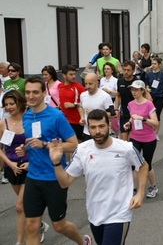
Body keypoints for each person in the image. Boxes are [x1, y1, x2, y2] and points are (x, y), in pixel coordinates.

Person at [48, 109, 148, 245]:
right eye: (93, 127)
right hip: (95, 213)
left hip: (119, 213)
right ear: (88, 129)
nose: (97, 131)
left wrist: (140, 193)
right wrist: (56, 163)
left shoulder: (125, 148)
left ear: (109, 126)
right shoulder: (82, 150)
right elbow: (65, 182)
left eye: (101, 126)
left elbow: (143, 166)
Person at [20, 76, 90, 245]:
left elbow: (73, 145)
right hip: (33, 178)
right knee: (30, 226)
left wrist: (45, 145)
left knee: (59, 226)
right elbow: (33, 141)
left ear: (44, 93)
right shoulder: (27, 116)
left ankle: (83, 241)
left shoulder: (56, 116)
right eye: (28, 92)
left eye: (35, 92)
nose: (31, 96)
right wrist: (25, 148)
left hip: (54, 178)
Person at [0, 91, 49, 244]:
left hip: (30, 167)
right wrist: (9, 164)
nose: (9, 107)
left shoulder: (30, 119)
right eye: (6, 104)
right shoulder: (3, 123)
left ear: (20, 103)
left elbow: (38, 142)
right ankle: (39, 225)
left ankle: (20, 241)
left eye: (11, 104)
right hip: (12, 167)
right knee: (27, 204)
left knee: (20, 206)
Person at [123, 80, 159, 198]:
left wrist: (143, 119)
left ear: (142, 91)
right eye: (132, 90)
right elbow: (132, 118)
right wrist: (128, 123)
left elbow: (155, 123)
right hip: (135, 137)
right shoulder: (130, 104)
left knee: (146, 164)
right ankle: (133, 189)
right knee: (133, 164)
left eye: (136, 90)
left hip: (149, 139)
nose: (134, 92)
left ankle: (153, 186)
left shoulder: (149, 104)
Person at [78, 73, 114, 141]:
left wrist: (95, 114)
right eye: (86, 84)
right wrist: (82, 117)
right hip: (87, 132)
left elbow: (113, 114)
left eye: (90, 84)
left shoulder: (105, 96)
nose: (87, 86)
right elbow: (81, 107)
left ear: (97, 83)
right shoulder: (83, 95)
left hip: (102, 133)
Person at [145, 57, 163, 141]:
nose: (153, 65)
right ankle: (149, 131)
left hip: (160, 97)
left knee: (157, 115)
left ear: (159, 65)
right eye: (152, 64)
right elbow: (146, 85)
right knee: (149, 115)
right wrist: (147, 89)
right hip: (150, 98)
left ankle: (156, 133)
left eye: (155, 64)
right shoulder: (149, 74)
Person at [58, 65, 86, 143]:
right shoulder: (60, 86)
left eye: (74, 74)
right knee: (66, 144)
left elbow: (85, 101)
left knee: (78, 144)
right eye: (71, 74)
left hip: (76, 121)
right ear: (64, 75)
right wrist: (59, 105)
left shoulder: (78, 87)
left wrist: (74, 105)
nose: (73, 76)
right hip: (64, 120)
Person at [115, 61, 136, 141]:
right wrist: (116, 109)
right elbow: (118, 95)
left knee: (131, 143)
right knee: (123, 142)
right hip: (124, 115)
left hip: (134, 115)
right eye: (124, 70)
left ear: (133, 71)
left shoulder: (136, 82)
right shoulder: (120, 81)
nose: (126, 72)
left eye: (128, 70)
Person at [99, 62, 119, 136]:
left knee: (113, 121)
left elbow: (117, 93)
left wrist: (109, 91)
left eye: (108, 69)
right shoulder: (102, 80)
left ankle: (118, 134)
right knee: (105, 119)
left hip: (112, 102)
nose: (106, 70)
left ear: (112, 70)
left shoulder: (115, 80)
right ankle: (108, 134)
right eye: (105, 69)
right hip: (103, 102)